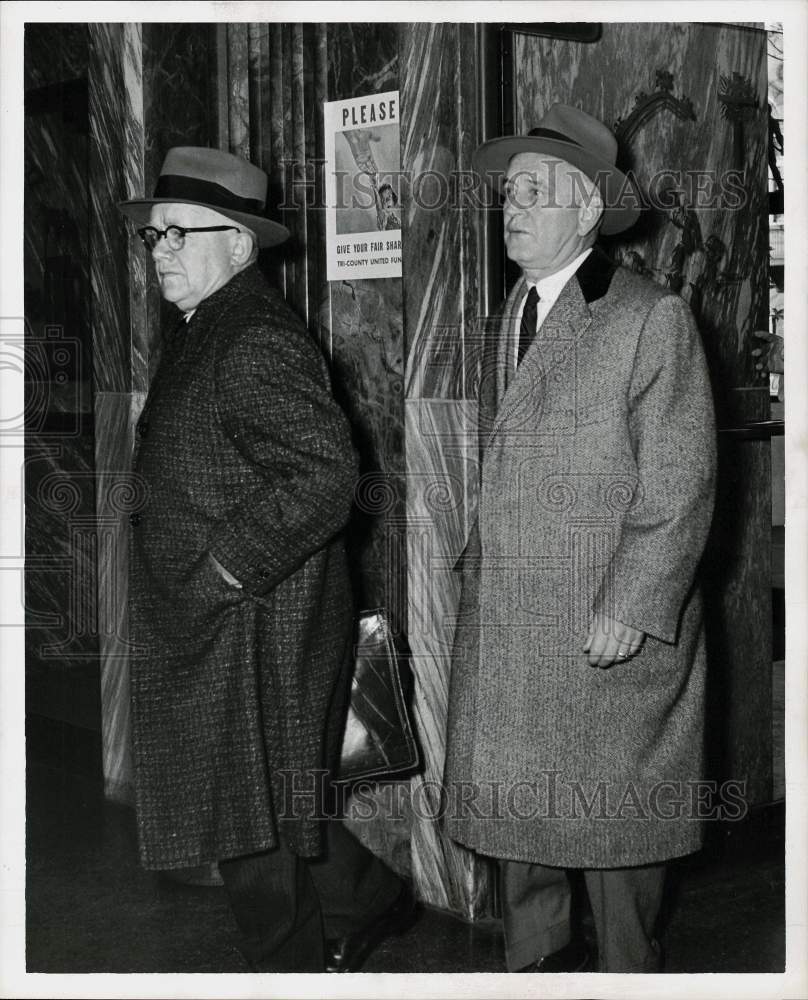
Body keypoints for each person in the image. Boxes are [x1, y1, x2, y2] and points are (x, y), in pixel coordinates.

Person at [118, 146, 415, 973]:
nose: (161, 250)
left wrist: (223, 569)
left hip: (255, 631)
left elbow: (326, 476)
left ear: (240, 245)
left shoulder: (251, 336)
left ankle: (287, 970)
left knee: (246, 828)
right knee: (269, 813)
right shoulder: (208, 324)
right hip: (228, 629)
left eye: (181, 233)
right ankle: (375, 902)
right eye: (154, 236)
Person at [444, 105, 717, 973]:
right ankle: (533, 975)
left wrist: (634, 605)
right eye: (508, 190)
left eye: (533, 190)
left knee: (616, 854)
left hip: (602, 632)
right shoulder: (514, 309)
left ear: (589, 210)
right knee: (523, 842)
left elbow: (681, 482)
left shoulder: (649, 318)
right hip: (516, 627)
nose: (510, 206)